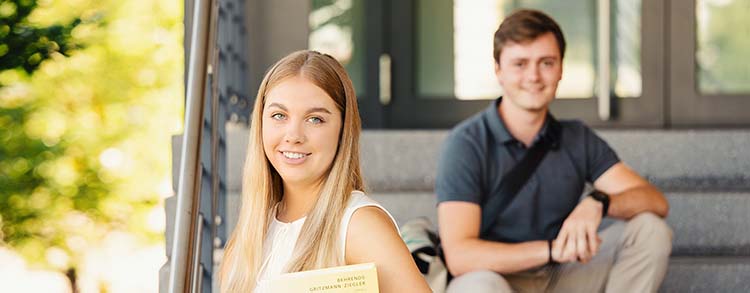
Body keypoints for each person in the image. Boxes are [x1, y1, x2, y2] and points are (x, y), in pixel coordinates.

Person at [436, 9, 672, 293]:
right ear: (498, 70)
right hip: (494, 278)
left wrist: (598, 202)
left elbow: (656, 202)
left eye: (546, 63)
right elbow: (460, 256)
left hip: (564, 277)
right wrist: (550, 250)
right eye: (520, 64)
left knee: (650, 230)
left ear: (561, 68)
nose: (534, 76)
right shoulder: (467, 143)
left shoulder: (577, 138)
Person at [219, 50, 431, 293]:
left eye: (315, 119)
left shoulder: (359, 225)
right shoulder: (247, 238)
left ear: (343, 130)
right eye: (279, 115)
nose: (294, 136)